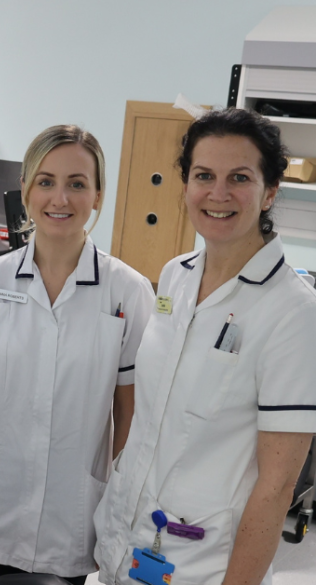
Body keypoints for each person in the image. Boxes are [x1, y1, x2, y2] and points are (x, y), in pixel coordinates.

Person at [94, 109, 316, 585]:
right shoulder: (176, 274)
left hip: (206, 566)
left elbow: (277, 487)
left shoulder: (294, 313)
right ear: (186, 185)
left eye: (240, 177)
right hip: (127, 543)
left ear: (270, 191)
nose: (218, 193)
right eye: (204, 176)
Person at [0, 125, 155, 585]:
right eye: (46, 181)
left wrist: (120, 513)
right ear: (26, 189)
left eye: (77, 183)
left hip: (73, 514)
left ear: (98, 195)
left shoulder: (127, 292)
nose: (60, 198)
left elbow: (129, 416)